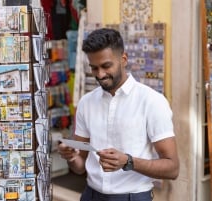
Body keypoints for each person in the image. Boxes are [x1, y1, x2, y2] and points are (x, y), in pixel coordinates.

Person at [57, 28, 179, 201]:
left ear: (123, 59)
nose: (100, 74)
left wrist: (128, 161)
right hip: (90, 195)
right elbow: (79, 167)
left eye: (106, 66)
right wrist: (71, 156)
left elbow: (172, 168)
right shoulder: (86, 103)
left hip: (134, 197)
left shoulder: (152, 101)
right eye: (94, 68)